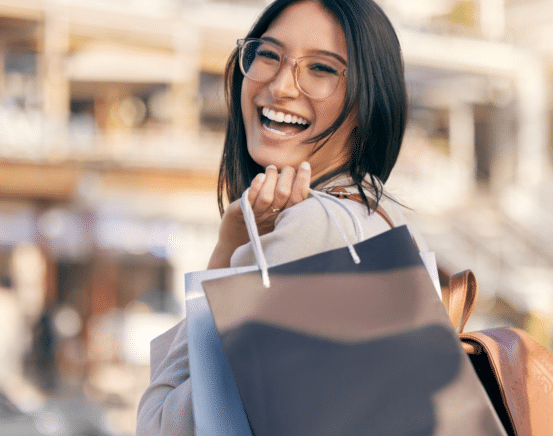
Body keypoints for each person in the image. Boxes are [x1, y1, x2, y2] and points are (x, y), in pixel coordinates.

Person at [136, 0, 427, 434]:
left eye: (322, 69)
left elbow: (164, 426)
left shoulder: (313, 231)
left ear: (368, 101)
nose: (281, 86)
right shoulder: (381, 221)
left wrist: (227, 253)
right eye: (269, 55)